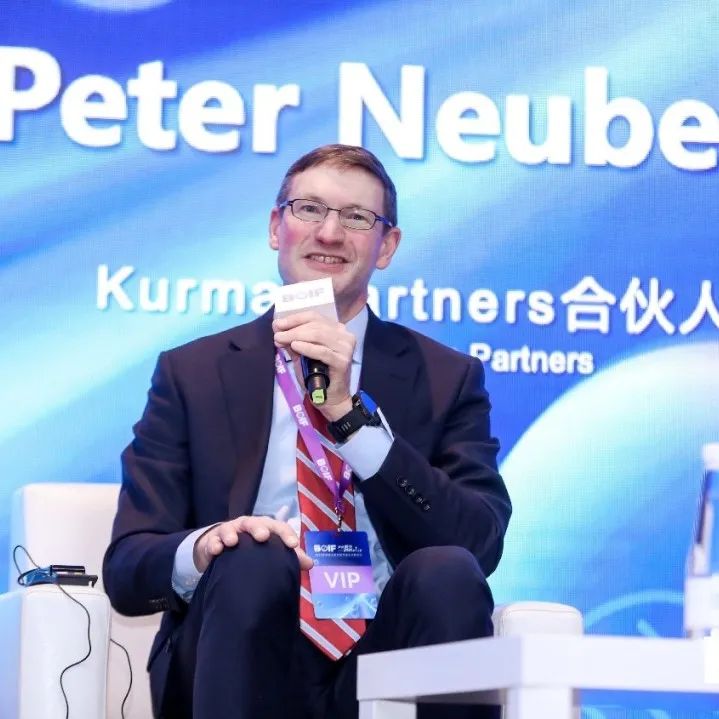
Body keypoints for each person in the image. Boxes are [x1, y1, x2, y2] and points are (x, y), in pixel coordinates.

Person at [103, 144, 512, 719]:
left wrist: (350, 418)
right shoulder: (193, 373)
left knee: (446, 572)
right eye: (310, 209)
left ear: (387, 246)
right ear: (277, 227)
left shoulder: (446, 377)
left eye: (357, 217)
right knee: (254, 553)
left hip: (386, 650)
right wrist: (207, 547)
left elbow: (478, 543)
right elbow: (127, 567)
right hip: (240, 646)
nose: (329, 233)